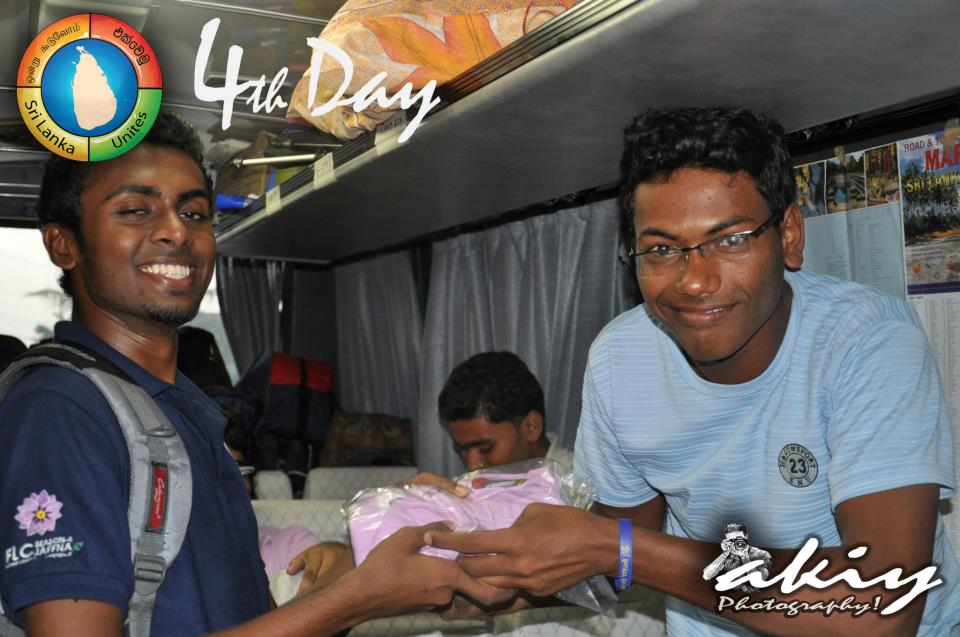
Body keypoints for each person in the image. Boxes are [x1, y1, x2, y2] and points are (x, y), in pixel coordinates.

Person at [429, 106, 960, 635]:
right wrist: (480, 561)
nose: (694, 281)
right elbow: (609, 561)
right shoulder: (621, 359)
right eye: (661, 249)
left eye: (730, 240)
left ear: (789, 236)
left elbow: (881, 610)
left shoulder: (866, 341)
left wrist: (620, 549)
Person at [0, 110, 506, 636]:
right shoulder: (59, 410)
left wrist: (383, 549)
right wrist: (355, 600)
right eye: (135, 210)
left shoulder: (182, 410)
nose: (176, 231)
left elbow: (247, 618)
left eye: (194, 212)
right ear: (63, 244)